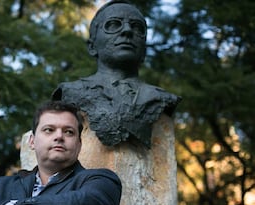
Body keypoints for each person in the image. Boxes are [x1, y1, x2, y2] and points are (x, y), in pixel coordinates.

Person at [52, 0, 181, 149]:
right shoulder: (70, 92)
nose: (127, 30)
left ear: (144, 51)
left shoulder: (161, 98)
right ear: (92, 47)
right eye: (113, 24)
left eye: (137, 27)